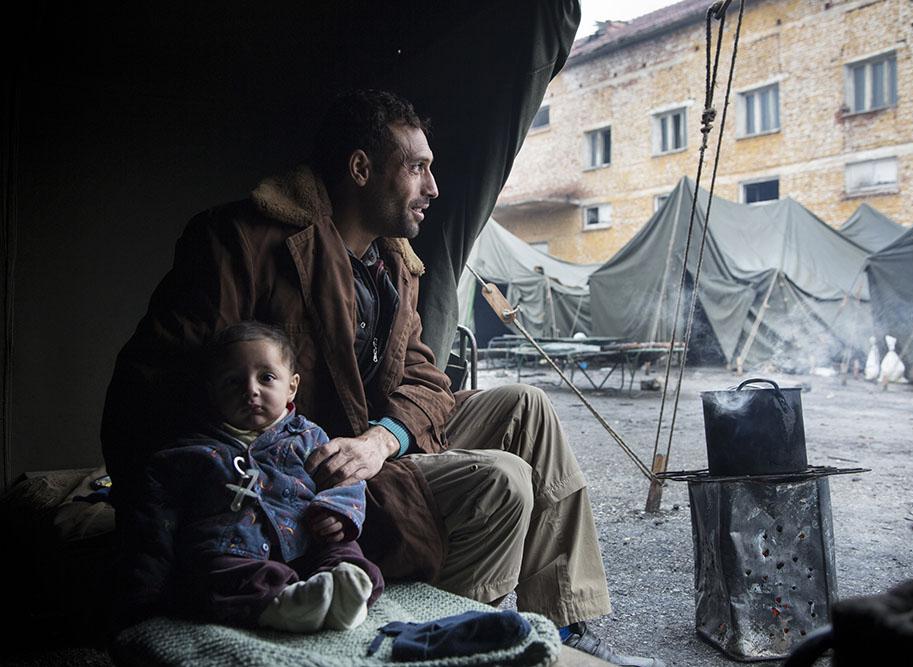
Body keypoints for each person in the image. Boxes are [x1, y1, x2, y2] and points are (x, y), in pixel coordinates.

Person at [103, 88, 662, 666]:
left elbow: (424, 377)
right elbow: (149, 389)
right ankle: (454, 647)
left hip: (366, 445)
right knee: (504, 479)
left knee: (528, 406)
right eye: (417, 167)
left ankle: (562, 627)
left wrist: (383, 438)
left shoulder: (392, 262)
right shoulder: (243, 241)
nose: (433, 188)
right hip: (306, 473)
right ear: (362, 169)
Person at [127, 321, 384, 632]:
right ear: (212, 391)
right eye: (233, 382)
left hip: (307, 538)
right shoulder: (189, 452)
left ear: (292, 385)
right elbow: (155, 521)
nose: (251, 390)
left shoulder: (309, 437)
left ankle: (344, 594)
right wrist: (147, 589)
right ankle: (283, 606)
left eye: (267, 378)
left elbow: (346, 478)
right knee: (210, 575)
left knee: (348, 554)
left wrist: (339, 513)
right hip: (233, 550)